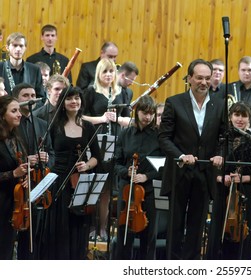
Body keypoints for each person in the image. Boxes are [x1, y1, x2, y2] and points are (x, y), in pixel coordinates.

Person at [158, 59, 225, 259]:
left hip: (205, 174)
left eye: (207, 78)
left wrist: (220, 154)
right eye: (199, 78)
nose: (203, 82)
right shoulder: (174, 102)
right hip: (179, 173)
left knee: (196, 228)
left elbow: (224, 137)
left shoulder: (220, 105)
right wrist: (180, 155)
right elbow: (163, 138)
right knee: (175, 227)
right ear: (189, 79)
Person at [41, 86, 100, 259]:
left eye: (77, 98)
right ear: (63, 102)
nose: (74, 102)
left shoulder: (88, 126)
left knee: (77, 225)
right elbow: (47, 152)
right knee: (59, 227)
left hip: (79, 182)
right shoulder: (53, 125)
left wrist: (87, 166)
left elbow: (97, 157)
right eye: (69, 98)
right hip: (58, 180)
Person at [207, 101, 251, 260]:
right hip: (222, 193)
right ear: (230, 117)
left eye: (244, 115)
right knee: (217, 232)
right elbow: (208, 167)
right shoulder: (220, 139)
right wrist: (220, 177)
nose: (240, 119)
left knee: (242, 234)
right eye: (237, 115)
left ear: (249, 119)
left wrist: (244, 178)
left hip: (244, 195)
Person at [82, 58, 130, 242]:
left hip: (115, 144)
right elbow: (82, 116)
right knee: (95, 187)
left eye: (111, 72)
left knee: (107, 191)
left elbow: (128, 120)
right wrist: (101, 118)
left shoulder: (122, 93)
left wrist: (117, 119)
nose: (109, 75)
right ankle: (91, 227)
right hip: (96, 143)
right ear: (98, 74)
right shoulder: (91, 91)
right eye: (105, 72)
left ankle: (103, 228)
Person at [114, 95, 161, 259]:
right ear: (137, 112)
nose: (148, 117)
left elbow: (164, 166)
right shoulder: (125, 134)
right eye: (144, 113)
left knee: (148, 238)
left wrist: (146, 176)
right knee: (124, 234)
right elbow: (116, 162)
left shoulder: (159, 136)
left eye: (151, 113)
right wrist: (126, 172)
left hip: (148, 191)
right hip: (127, 191)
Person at [11, 83, 55, 259]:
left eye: (33, 95)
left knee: (34, 237)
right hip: (17, 185)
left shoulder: (42, 124)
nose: (30, 99)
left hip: (38, 184)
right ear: (16, 100)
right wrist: (25, 161)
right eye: (25, 96)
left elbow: (52, 153)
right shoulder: (12, 123)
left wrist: (47, 158)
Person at [0, 95, 26, 259]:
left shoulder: (16, 137)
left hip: (13, 201)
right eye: (14, 111)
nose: (19, 114)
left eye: (19, 110)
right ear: (2, 114)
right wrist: (13, 174)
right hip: (1, 201)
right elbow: (12, 171)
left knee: (7, 248)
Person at [0, 33, 45, 105]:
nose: (18, 49)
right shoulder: (0, 67)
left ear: (25, 48)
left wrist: (30, 109)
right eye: (15, 45)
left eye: (21, 46)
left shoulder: (34, 70)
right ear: (7, 48)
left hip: (29, 112)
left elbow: (41, 98)